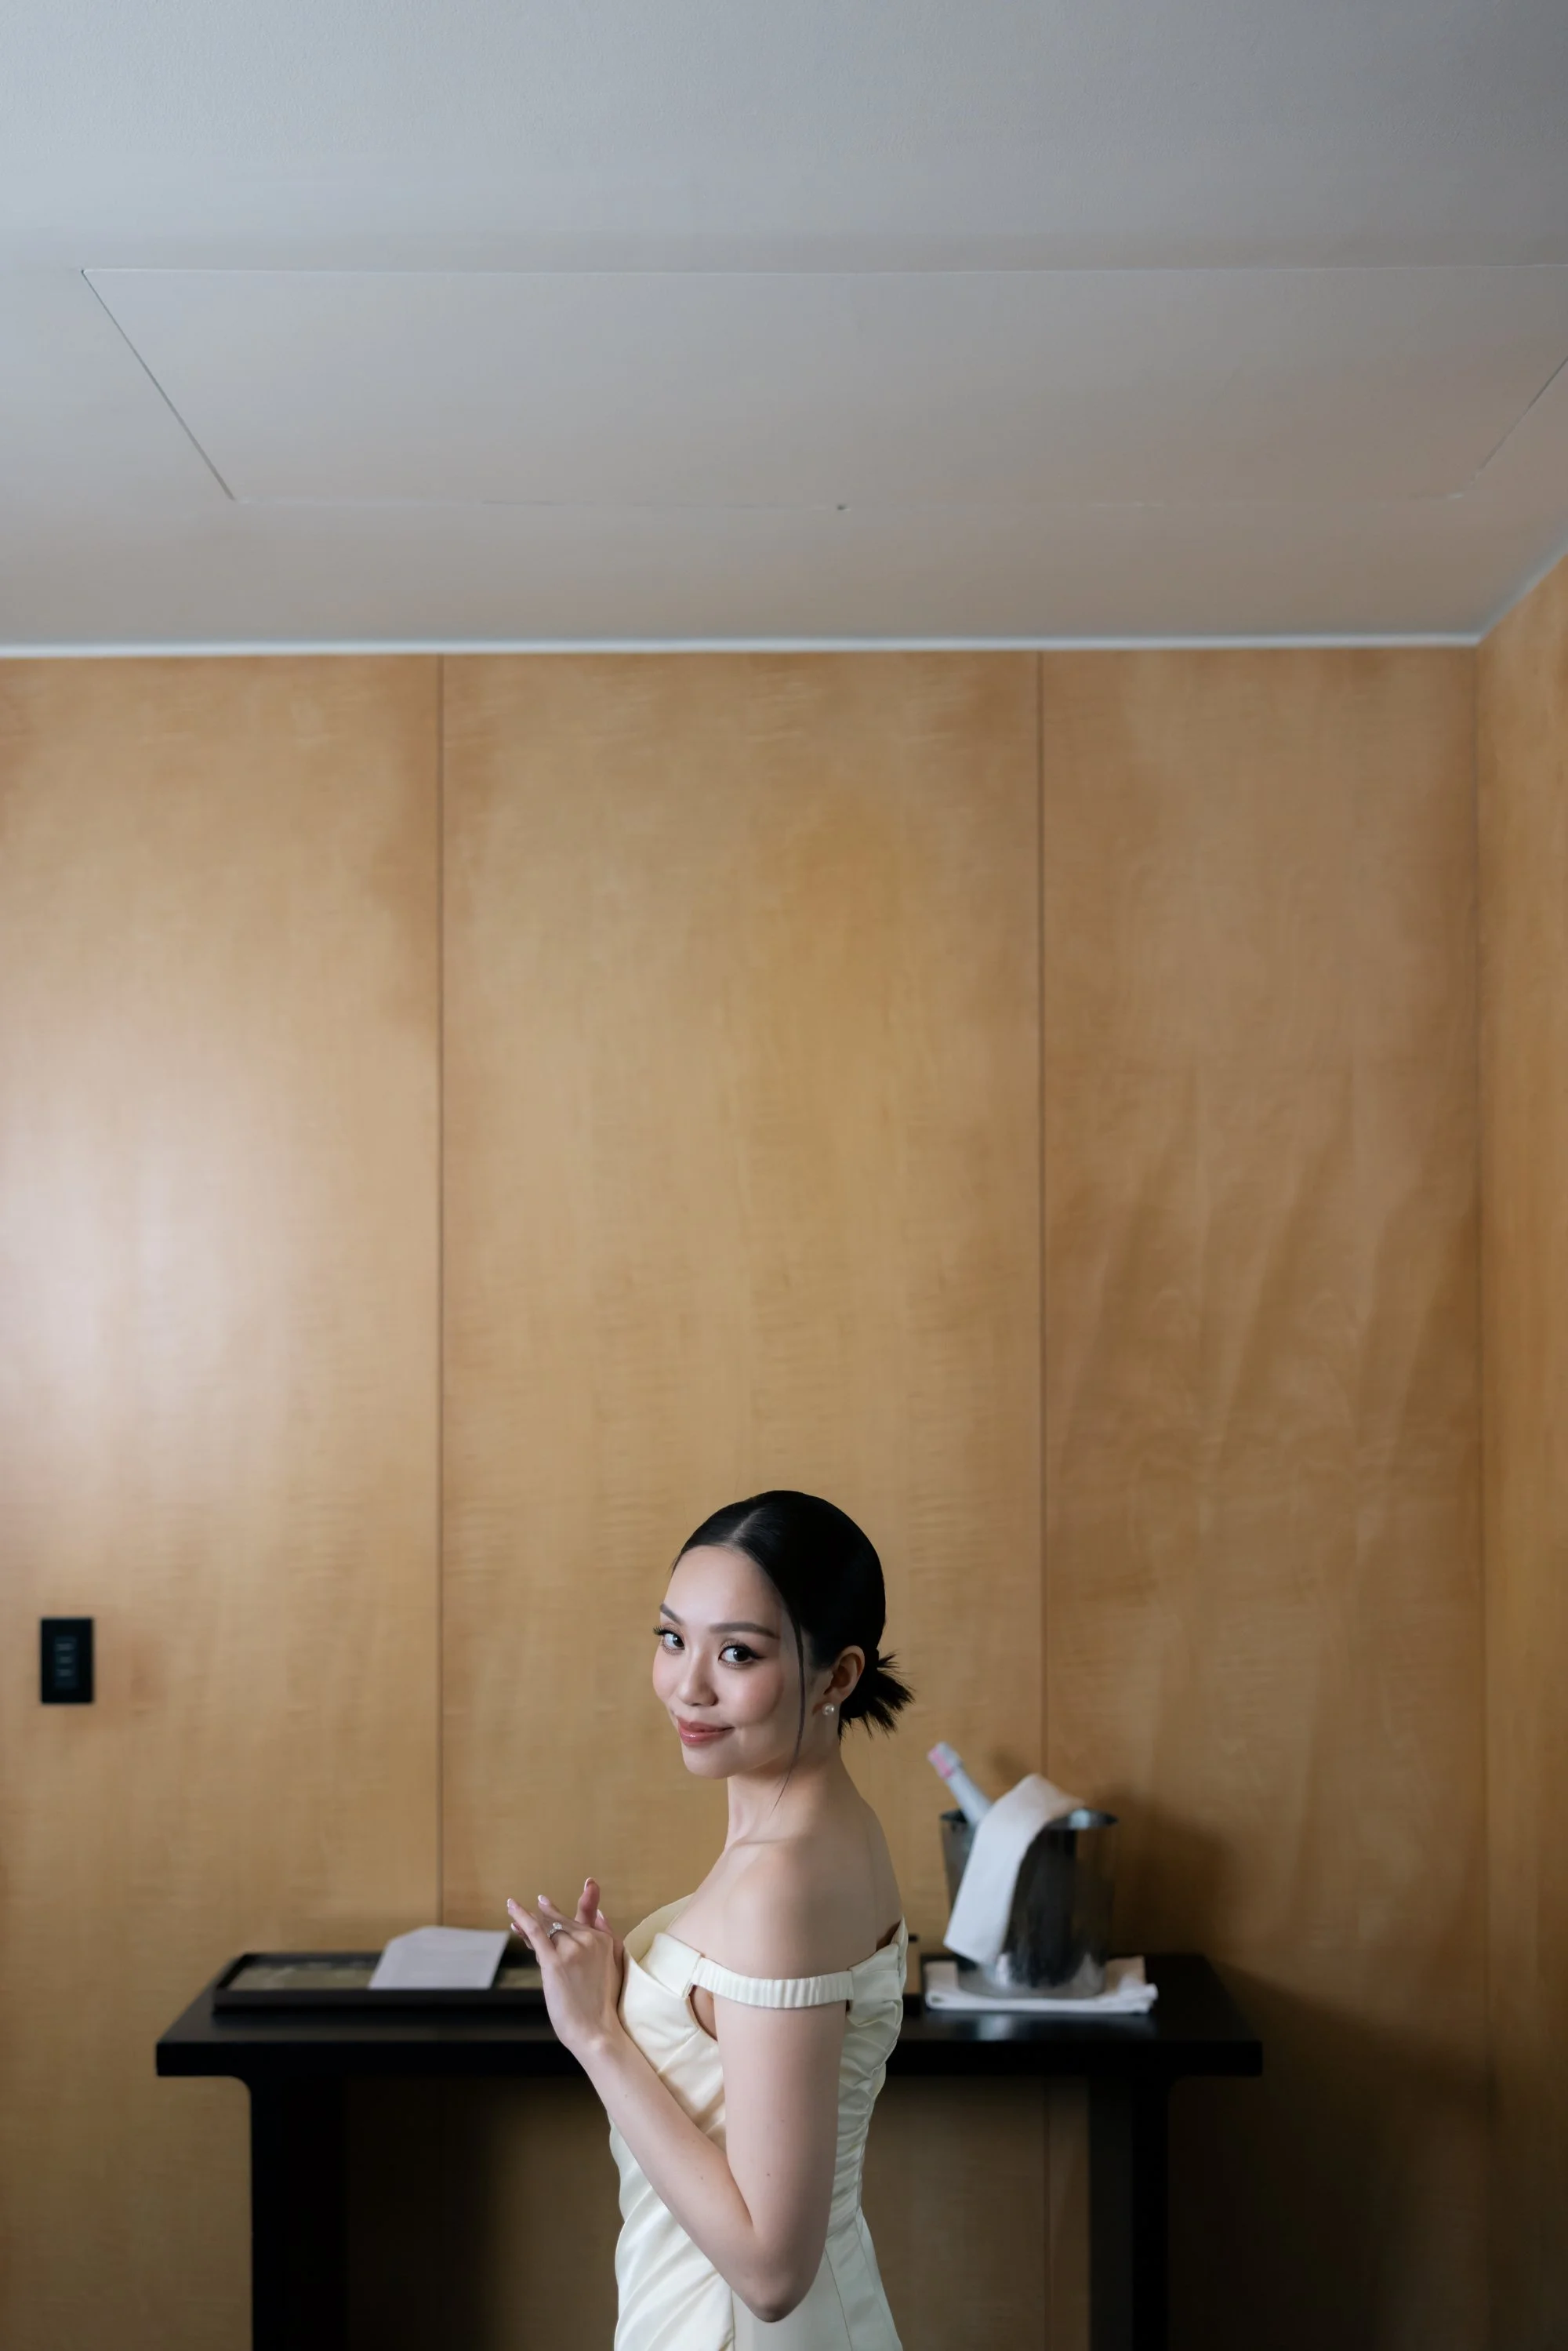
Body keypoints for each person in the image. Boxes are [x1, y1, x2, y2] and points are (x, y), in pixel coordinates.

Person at [507, 1489, 912, 2348]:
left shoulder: (780, 1884)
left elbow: (771, 2272)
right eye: (671, 1638)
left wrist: (597, 2037)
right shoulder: (830, 1831)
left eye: (736, 1652)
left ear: (838, 1676)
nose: (687, 1686)